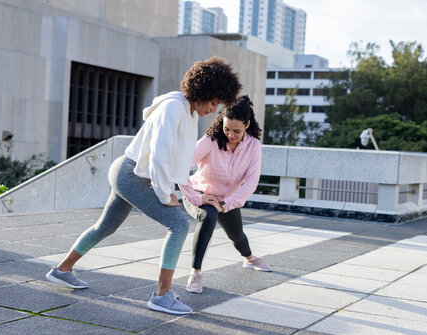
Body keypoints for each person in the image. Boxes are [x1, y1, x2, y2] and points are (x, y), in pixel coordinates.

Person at [45, 57, 241, 315]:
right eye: (214, 102)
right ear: (202, 92)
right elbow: (160, 155)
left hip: (134, 173)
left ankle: (62, 270)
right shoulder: (173, 107)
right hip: (131, 173)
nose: (215, 109)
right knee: (179, 224)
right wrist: (164, 193)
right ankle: (161, 295)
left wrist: (193, 196)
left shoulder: (188, 111)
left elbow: (179, 165)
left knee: (105, 226)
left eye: (219, 104)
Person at [179, 95, 271, 294]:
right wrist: (197, 198)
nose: (230, 134)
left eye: (237, 131)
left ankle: (249, 258)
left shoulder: (253, 146)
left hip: (226, 199)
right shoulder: (210, 141)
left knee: (237, 235)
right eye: (227, 128)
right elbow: (180, 167)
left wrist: (227, 204)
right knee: (208, 216)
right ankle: (196, 272)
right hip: (200, 193)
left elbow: (251, 182)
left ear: (247, 125)